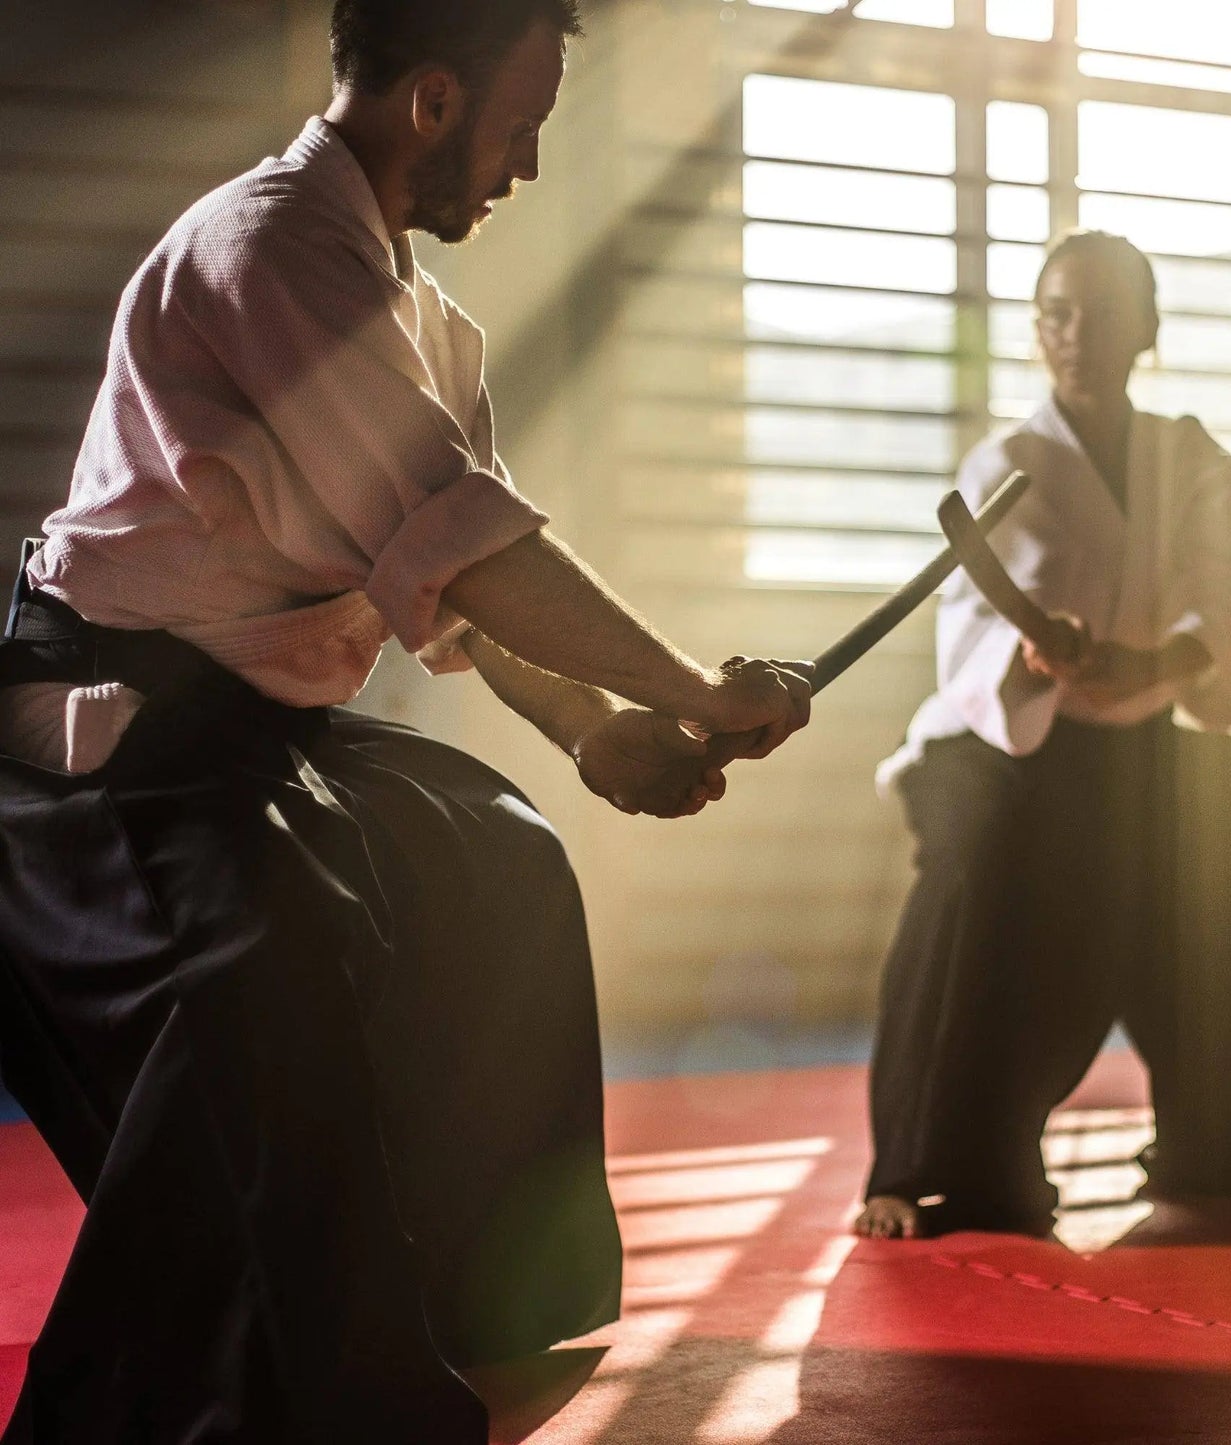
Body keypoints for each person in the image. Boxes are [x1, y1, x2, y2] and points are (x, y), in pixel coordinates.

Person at [0, 0, 812, 1438]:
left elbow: (438, 581)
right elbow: (475, 552)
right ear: (433, 102)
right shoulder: (268, 252)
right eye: (521, 126)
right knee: (279, 964)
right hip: (110, 728)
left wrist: (587, 733)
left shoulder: (426, 318)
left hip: (250, 729)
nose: (530, 165)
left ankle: (463, 1296)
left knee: (494, 856)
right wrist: (691, 689)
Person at [856, 230, 1231, 1242]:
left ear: (1148, 328)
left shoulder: (1194, 458)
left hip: (1142, 742)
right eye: (1057, 313)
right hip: (999, 746)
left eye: (1105, 313)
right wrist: (1042, 652)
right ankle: (933, 1167)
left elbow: (1226, 597)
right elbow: (982, 630)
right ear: (1037, 329)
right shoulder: (1006, 462)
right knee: (982, 864)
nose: (1078, 335)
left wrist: (1154, 662)